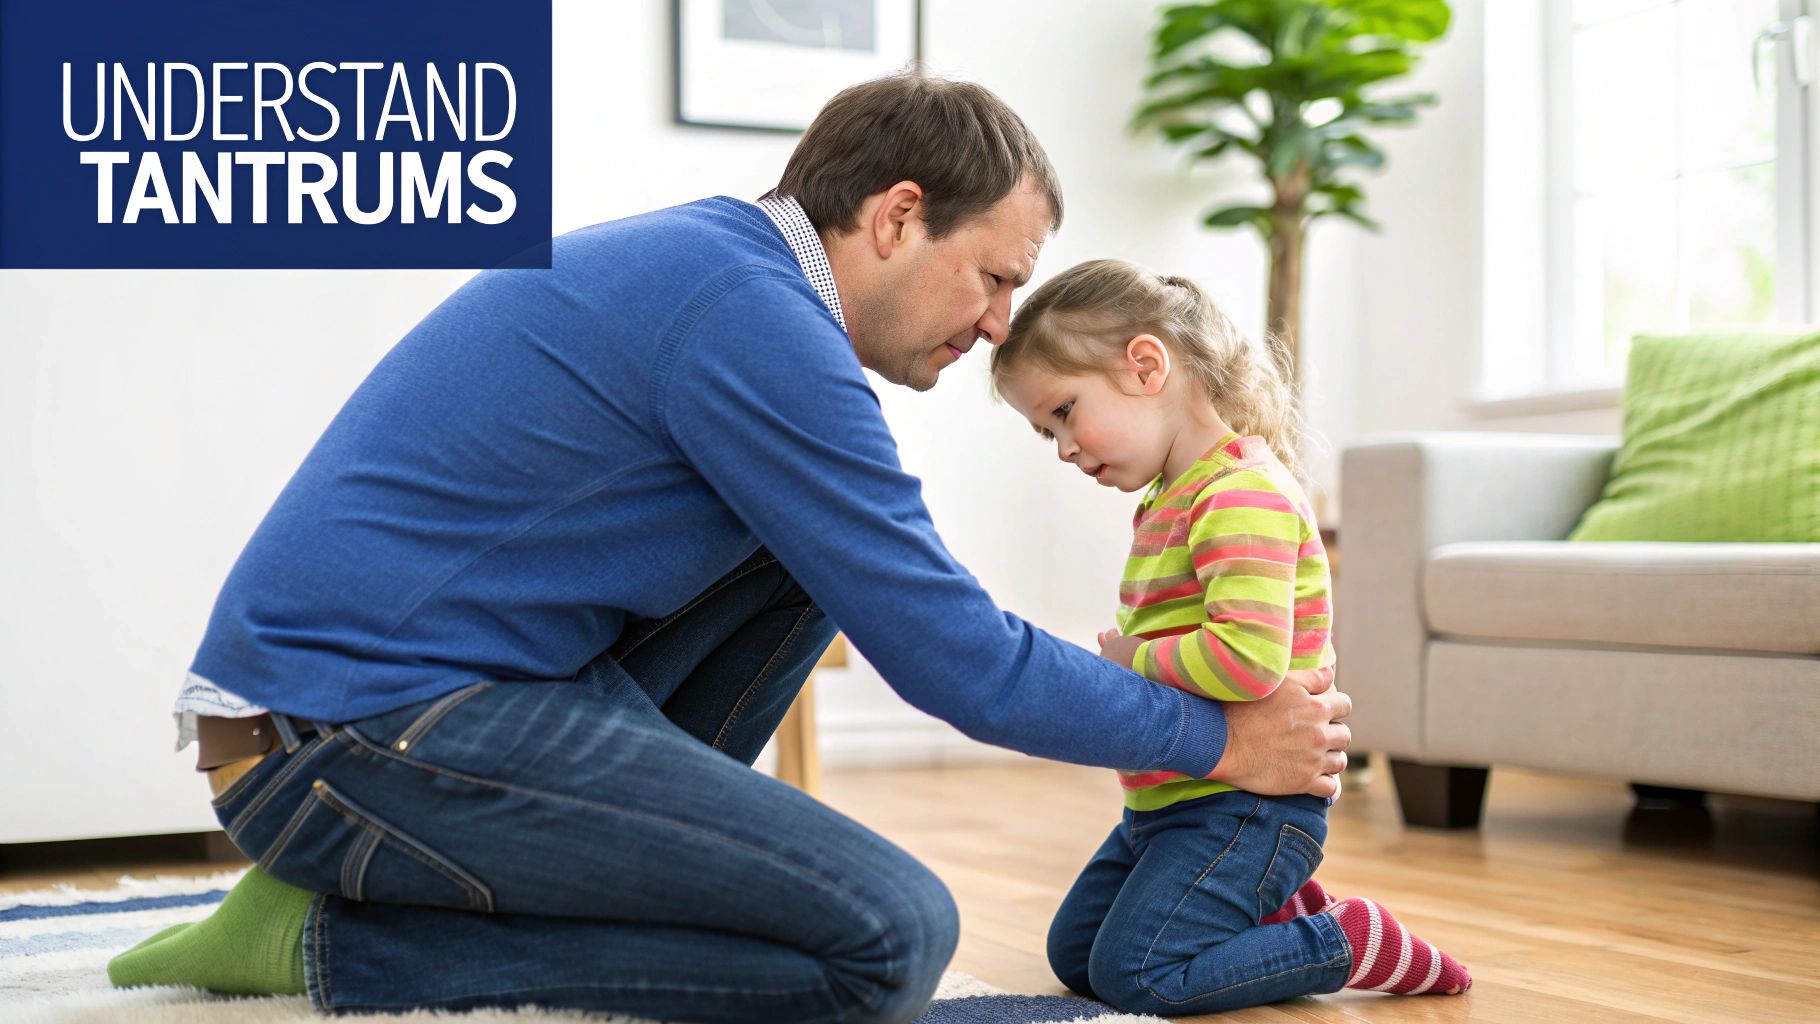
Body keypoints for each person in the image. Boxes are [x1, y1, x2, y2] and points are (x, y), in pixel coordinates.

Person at [105, 75, 1352, 1024]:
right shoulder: (748, 318)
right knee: (889, 934)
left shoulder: (725, 273)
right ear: (896, 216)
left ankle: (428, 879)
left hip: (388, 707)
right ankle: (336, 942)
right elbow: (954, 658)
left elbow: (902, 603)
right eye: (990, 277)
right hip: (346, 737)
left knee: (809, 559)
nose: (995, 323)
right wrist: (1223, 737)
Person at [991, 259, 1469, 1017]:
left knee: (1138, 976)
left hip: (1246, 805)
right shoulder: (1172, 497)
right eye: (1045, 431)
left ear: (1147, 365)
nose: (1063, 447)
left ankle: (1343, 941)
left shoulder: (1240, 491)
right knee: (1076, 959)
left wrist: (1133, 662)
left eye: (1064, 413)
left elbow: (1248, 661)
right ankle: (1267, 911)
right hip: (1170, 803)